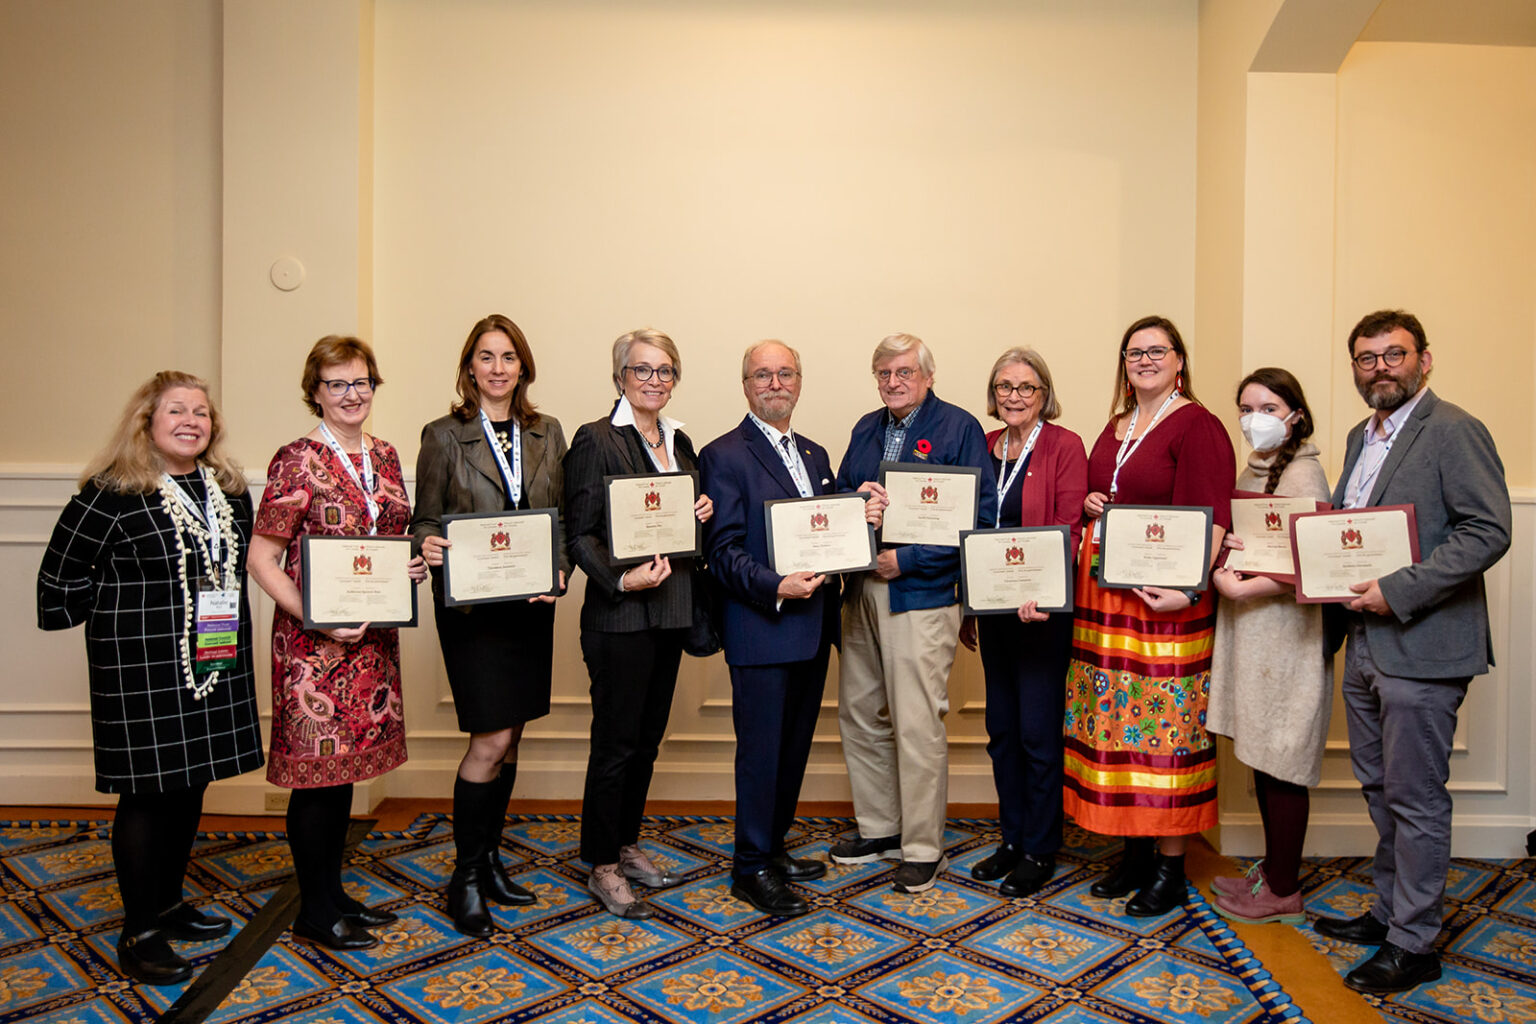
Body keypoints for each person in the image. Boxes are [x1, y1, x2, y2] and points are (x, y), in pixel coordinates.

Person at [36, 372, 264, 985]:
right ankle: (139, 932)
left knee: (189, 785)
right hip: (138, 668)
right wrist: (127, 615)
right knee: (146, 794)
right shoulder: (111, 492)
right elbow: (58, 582)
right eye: (176, 411)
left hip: (211, 657)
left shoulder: (228, 488)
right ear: (147, 421)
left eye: (201, 412)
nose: (191, 421)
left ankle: (167, 904)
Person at [1312, 310, 1510, 994]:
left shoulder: (1454, 429)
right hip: (1365, 641)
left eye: (1394, 354)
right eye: (1367, 358)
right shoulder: (1358, 436)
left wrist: (1396, 591)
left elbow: (1488, 530)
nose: (1381, 368)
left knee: (1416, 798)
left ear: (1425, 359)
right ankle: (1390, 913)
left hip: (1423, 643)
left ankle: (1415, 943)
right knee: (1380, 788)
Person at [247, 336, 428, 951]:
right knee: (317, 779)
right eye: (337, 384)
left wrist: (409, 567)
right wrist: (315, 617)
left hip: (371, 644)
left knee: (343, 775)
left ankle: (332, 893)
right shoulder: (295, 459)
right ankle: (315, 911)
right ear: (316, 392)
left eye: (361, 382)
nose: (352, 394)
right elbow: (262, 559)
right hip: (313, 651)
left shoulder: (385, 454)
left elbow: (389, 541)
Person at [699, 340, 884, 917]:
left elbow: (824, 532)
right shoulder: (723, 454)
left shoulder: (814, 454)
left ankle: (772, 848)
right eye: (763, 375)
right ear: (746, 385)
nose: (775, 383)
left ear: (799, 382)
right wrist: (776, 585)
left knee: (792, 748)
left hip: (812, 626)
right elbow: (722, 551)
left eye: (785, 373)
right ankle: (750, 866)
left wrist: (858, 510)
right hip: (761, 625)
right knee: (761, 754)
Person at [1067, 315, 1235, 917]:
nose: (1144, 359)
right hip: (1106, 604)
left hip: (1164, 608)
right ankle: (1134, 851)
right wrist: (1091, 502)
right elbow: (1108, 494)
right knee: (1116, 727)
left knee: (1164, 731)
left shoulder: (1198, 425)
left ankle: (1170, 866)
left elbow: (1215, 519)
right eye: (1134, 352)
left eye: (1157, 350)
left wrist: (1189, 590)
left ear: (1179, 360)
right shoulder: (1117, 424)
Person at [411, 314, 568, 936]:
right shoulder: (442, 434)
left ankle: (491, 859)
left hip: (529, 607)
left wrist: (559, 570)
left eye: (508, 357)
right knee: (491, 741)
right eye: (486, 357)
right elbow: (424, 520)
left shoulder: (547, 431)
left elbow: (559, 517)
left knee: (514, 737)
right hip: (474, 612)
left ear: (522, 367)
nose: (498, 368)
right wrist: (426, 545)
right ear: (469, 368)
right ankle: (466, 877)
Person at [831, 333, 994, 893]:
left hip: (920, 594)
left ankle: (923, 847)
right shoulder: (865, 428)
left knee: (917, 723)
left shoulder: (959, 428)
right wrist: (857, 501)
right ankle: (880, 828)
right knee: (860, 713)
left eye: (904, 372)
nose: (893, 382)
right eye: (883, 373)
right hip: (861, 589)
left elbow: (979, 520)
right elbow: (840, 500)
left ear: (927, 376)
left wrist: (909, 559)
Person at [563, 328, 714, 918]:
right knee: (616, 745)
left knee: (647, 743)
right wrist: (622, 581)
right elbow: (580, 533)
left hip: (670, 611)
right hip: (619, 616)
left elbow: (680, 526)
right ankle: (601, 863)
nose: (655, 380)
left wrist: (702, 511)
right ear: (620, 377)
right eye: (642, 369)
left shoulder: (680, 441)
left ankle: (625, 845)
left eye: (665, 370)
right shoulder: (595, 438)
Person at [958, 348, 1087, 897]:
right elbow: (966, 527)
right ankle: (1011, 840)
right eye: (1004, 387)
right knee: (1003, 731)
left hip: (1040, 615)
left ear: (1044, 394)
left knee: (1037, 734)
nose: (1014, 396)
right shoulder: (985, 446)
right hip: (994, 613)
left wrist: (1045, 592)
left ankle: (1039, 847)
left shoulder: (1064, 445)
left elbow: (1069, 525)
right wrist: (969, 603)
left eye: (1026, 387)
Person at [1206, 368, 1330, 925]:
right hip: (1255, 634)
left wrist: (1238, 586)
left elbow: (1309, 562)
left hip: (1285, 638)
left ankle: (1283, 889)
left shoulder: (1304, 473)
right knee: (1263, 756)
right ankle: (1274, 871)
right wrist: (1229, 552)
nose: (1255, 419)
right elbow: (1257, 542)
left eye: (1269, 408)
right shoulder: (1255, 468)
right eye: (1246, 408)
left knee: (1282, 760)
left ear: (1295, 415)